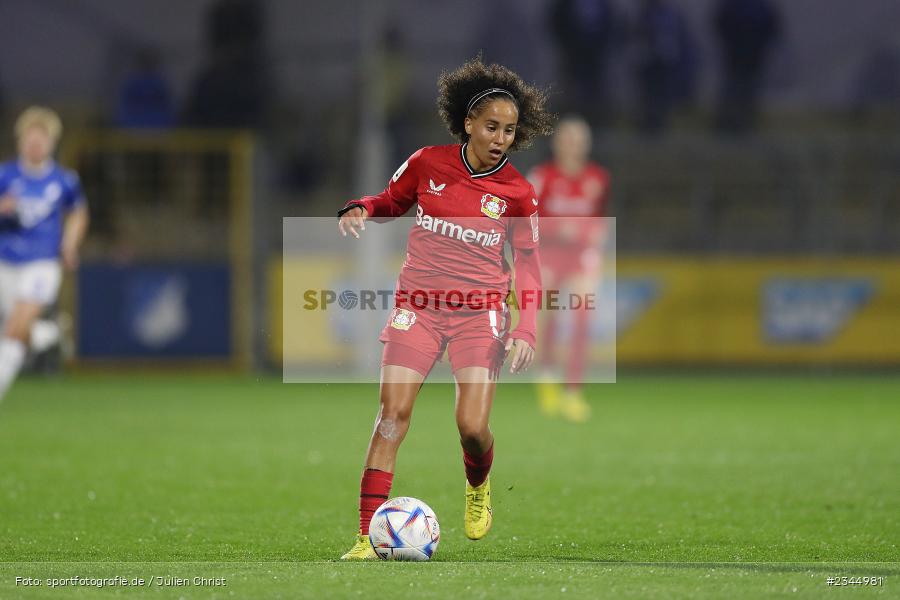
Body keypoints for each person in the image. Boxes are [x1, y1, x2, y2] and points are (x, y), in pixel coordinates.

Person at [336, 58, 554, 559]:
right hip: (419, 305)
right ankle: (366, 536)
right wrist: (363, 207)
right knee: (392, 415)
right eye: (492, 127)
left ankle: (478, 486)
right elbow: (392, 200)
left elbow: (530, 264)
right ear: (468, 124)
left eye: (510, 130)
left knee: (473, 428)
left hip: (481, 314)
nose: (500, 137)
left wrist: (527, 330)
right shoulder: (428, 163)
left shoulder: (518, 194)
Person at [0, 107, 89, 403]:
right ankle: (49, 333)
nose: (36, 144)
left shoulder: (64, 180)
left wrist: (69, 244)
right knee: (18, 329)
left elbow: (78, 213)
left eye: (42, 139)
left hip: (42, 263)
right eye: (31, 139)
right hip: (6, 261)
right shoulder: (5, 176)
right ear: (21, 141)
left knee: (12, 331)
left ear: (51, 143)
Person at [528, 116, 610, 423]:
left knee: (582, 315)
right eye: (568, 139)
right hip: (549, 252)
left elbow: (598, 218)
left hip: (580, 255)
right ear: (557, 143)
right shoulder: (543, 176)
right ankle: (547, 376)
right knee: (548, 313)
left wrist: (596, 237)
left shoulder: (597, 178)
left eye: (579, 140)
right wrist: (558, 229)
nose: (573, 145)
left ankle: (573, 391)